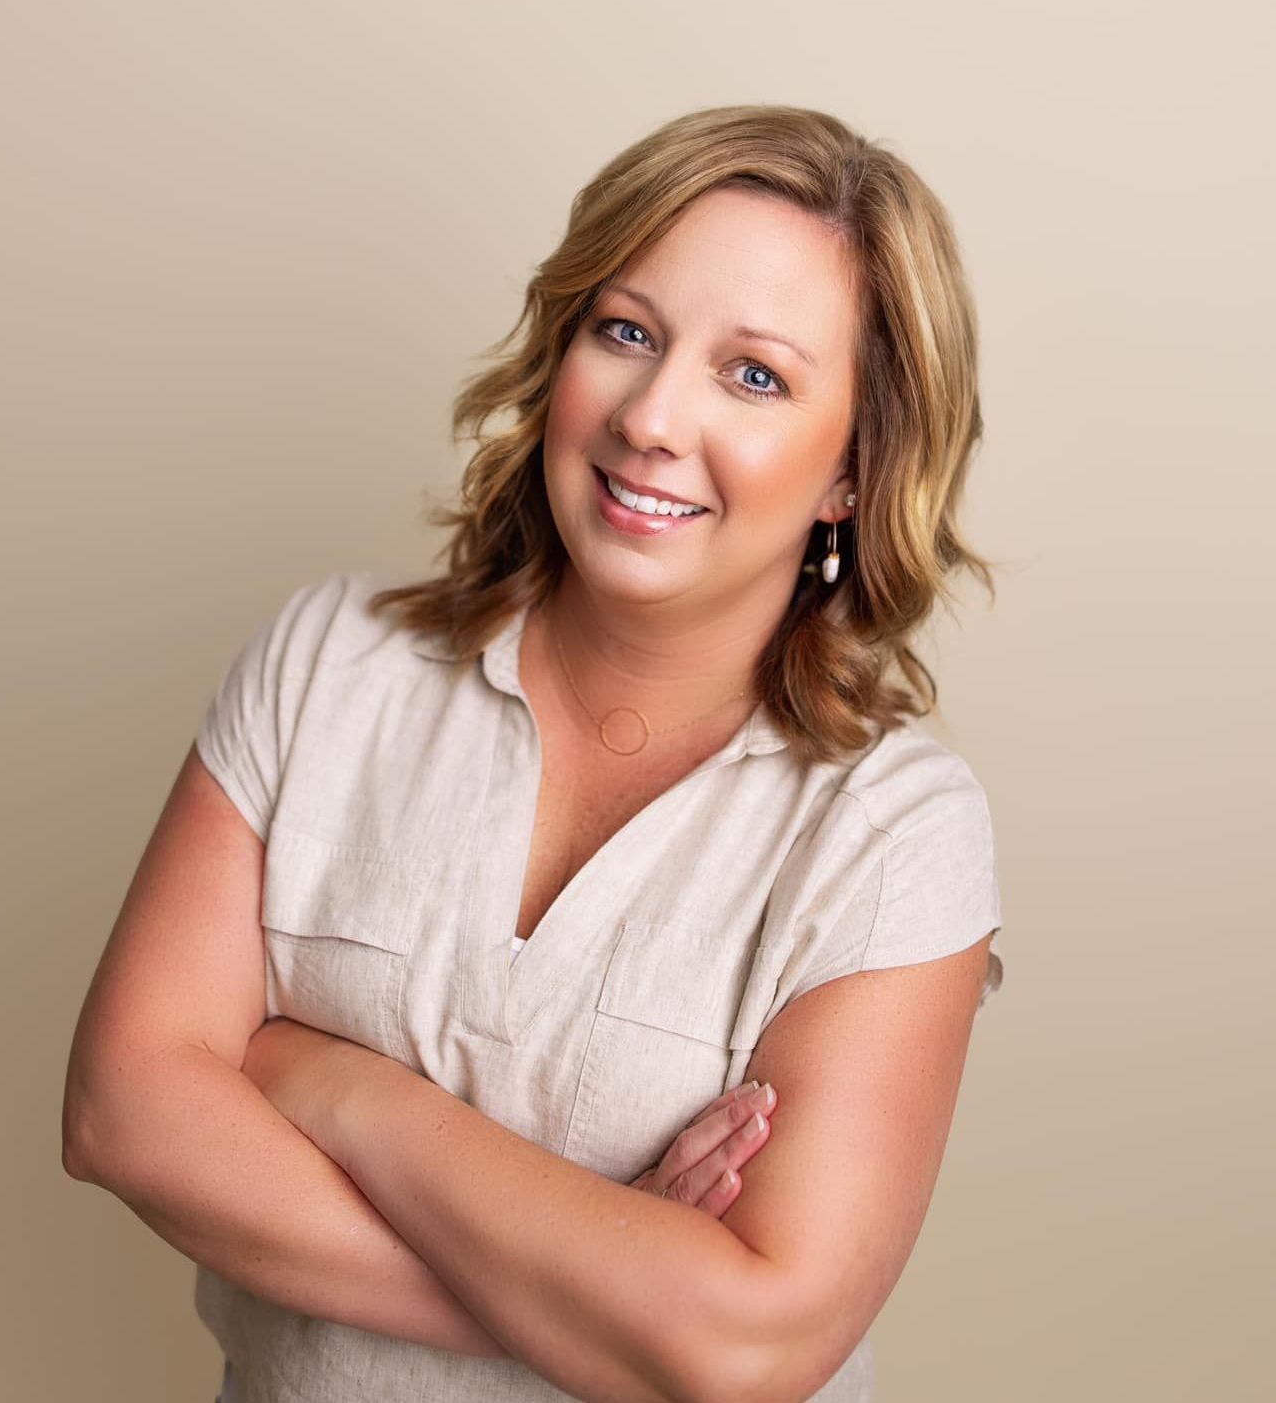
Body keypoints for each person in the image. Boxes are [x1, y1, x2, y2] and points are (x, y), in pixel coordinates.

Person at [62, 103, 1005, 1403]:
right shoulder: (325, 665)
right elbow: (124, 1111)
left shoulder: (894, 831)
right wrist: (610, 1287)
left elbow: (747, 1343)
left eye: (754, 374)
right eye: (626, 332)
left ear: (851, 467)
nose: (653, 418)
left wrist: (332, 1085)